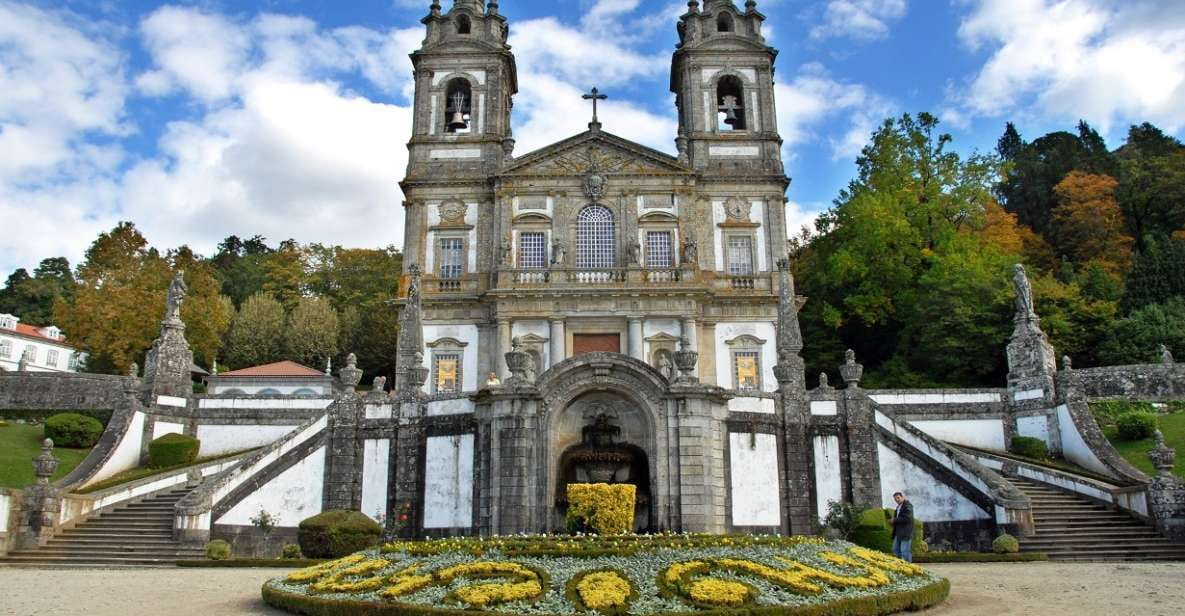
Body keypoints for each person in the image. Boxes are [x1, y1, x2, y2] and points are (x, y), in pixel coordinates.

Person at [891, 491, 915, 562]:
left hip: (906, 533)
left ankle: (909, 568)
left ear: (902, 497)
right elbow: (898, 520)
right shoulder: (898, 507)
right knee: (895, 549)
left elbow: (908, 518)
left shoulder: (908, 505)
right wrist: (893, 521)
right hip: (898, 533)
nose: (897, 500)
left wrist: (895, 520)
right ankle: (900, 566)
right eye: (895, 499)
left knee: (904, 551)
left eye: (898, 498)